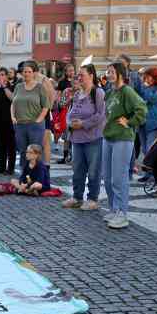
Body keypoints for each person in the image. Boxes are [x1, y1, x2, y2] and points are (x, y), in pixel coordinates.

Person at [101, 64, 148, 229]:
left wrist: (130, 122)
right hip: (108, 137)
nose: (109, 74)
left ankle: (122, 213)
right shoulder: (109, 92)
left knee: (119, 177)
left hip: (123, 138)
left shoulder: (127, 91)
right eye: (108, 72)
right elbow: (107, 113)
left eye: (112, 72)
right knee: (107, 177)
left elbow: (141, 109)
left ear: (121, 74)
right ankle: (114, 209)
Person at [61, 64, 107, 212]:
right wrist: (70, 123)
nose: (79, 77)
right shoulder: (77, 94)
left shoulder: (98, 93)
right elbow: (70, 113)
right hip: (77, 138)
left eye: (82, 75)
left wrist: (83, 124)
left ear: (91, 75)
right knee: (77, 170)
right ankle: (77, 197)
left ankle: (93, 199)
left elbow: (101, 115)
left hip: (93, 138)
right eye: (78, 75)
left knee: (93, 171)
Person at [11, 61, 51, 161]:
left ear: (33, 73)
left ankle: (37, 175)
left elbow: (46, 106)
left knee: (35, 153)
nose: (26, 74)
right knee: (23, 152)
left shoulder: (39, 87)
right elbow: (13, 103)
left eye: (29, 72)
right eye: (25, 72)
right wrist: (12, 117)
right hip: (20, 125)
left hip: (35, 126)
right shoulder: (18, 87)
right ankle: (24, 175)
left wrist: (39, 120)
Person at [136, 68, 157, 166]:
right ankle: (147, 173)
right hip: (142, 123)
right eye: (145, 77)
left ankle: (153, 175)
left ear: (155, 77)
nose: (146, 79)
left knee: (151, 149)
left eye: (148, 77)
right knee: (145, 149)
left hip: (154, 123)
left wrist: (145, 89)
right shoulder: (145, 87)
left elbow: (152, 98)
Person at [0, 68, 18, 174]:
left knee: (10, 145)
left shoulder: (11, 86)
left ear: (6, 76)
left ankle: (10, 168)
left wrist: (5, 86)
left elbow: (12, 98)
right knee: (1, 145)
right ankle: (1, 167)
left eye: (3, 74)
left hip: (9, 120)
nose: (1, 76)